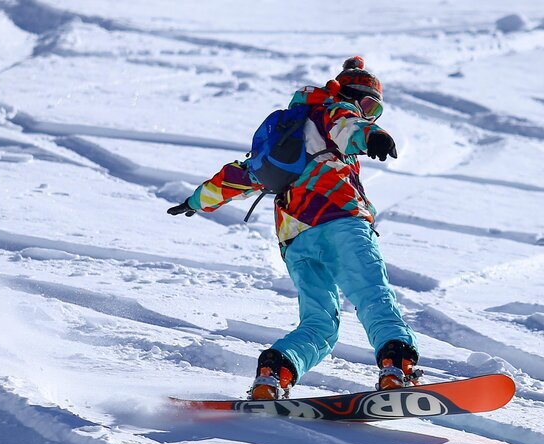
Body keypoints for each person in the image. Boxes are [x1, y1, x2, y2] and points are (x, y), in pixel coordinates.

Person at [167, 56, 420, 399]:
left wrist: (197, 201)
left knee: (319, 324)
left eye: (375, 110)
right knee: (373, 296)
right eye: (368, 104)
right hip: (341, 222)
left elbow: (243, 174)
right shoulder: (334, 110)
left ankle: (275, 371)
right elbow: (349, 128)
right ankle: (397, 368)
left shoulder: (288, 135)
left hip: (296, 238)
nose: (368, 112)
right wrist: (374, 134)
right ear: (350, 95)